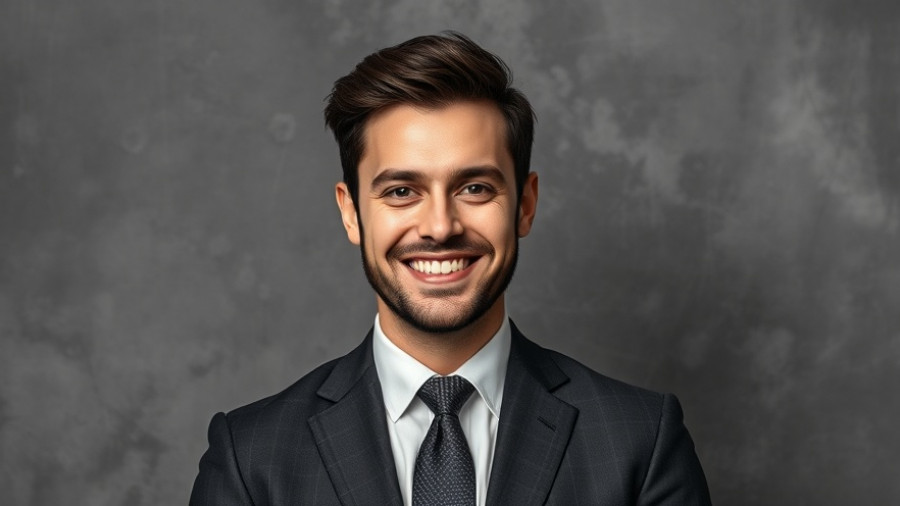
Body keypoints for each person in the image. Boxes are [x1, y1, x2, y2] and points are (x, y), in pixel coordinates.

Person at [189, 32, 711, 506]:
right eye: (401, 191)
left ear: (525, 204)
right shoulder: (251, 459)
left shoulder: (639, 442)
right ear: (351, 213)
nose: (440, 226)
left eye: (475, 188)